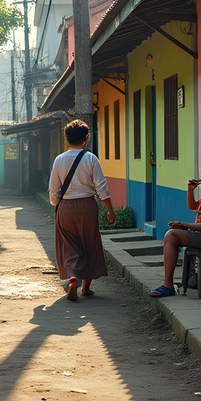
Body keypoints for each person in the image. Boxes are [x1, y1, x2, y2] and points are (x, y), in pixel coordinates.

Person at [48, 119, 115, 301]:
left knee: (70, 245)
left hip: (66, 208)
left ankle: (72, 278)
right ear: (86, 138)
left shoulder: (59, 160)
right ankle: (85, 288)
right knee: (89, 244)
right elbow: (102, 187)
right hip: (87, 206)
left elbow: (53, 189)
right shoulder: (91, 158)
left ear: (66, 138)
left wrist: (57, 204)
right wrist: (110, 210)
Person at [149, 169, 201, 297]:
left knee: (172, 235)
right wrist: (190, 190)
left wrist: (184, 225)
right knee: (171, 235)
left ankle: (168, 285)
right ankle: (169, 284)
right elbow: (192, 206)